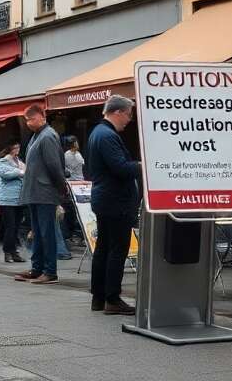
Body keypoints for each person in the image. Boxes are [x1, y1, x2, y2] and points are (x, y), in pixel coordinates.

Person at [85, 96, 141, 313]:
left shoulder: (98, 133)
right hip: (115, 200)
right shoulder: (108, 135)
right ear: (118, 112)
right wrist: (140, 165)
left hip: (105, 199)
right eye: (128, 114)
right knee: (117, 249)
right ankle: (112, 299)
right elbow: (120, 168)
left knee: (104, 248)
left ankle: (98, 297)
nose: (129, 119)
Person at [15, 105, 67, 285]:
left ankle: (50, 271)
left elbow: (54, 166)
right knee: (37, 232)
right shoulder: (37, 136)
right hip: (35, 192)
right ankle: (37, 268)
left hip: (44, 192)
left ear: (42, 117)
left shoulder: (48, 136)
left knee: (47, 232)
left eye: (32, 119)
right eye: (27, 120)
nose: (29, 123)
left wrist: (62, 189)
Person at [0, 143, 26, 263]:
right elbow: (5, 174)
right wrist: (20, 172)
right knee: (10, 226)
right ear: (9, 149)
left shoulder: (19, 161)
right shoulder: (3, 161)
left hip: (19, 199)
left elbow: (27, 170)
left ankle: (14, 252)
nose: (17, 149)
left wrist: (20, 171)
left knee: (16, 227)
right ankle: (7, 252)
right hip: (7, 199)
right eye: (15, 147)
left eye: (18, 147)